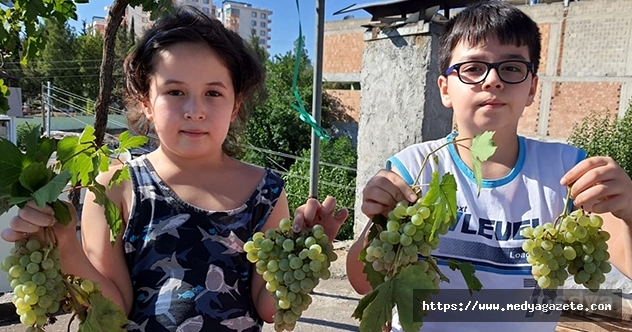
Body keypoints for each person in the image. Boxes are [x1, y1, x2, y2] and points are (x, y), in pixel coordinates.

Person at [1, 5, 348, 332]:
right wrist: (65, 246)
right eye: (175, 91)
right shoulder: (115, 187)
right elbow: (115, 310)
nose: (194, 110)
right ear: (145, 102)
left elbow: (268, 307)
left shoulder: (266, 190)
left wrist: (304, 254)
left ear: (235, 104)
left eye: (213, 93)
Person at [346, 1, 632, 331]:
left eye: (511, 68)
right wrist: (378, 224)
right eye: (472, 68)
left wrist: (629, 209)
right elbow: (362, 281)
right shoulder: (415, 169)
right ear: (445, 89)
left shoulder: (566, 171)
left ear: (532, 89)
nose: (492, 81)